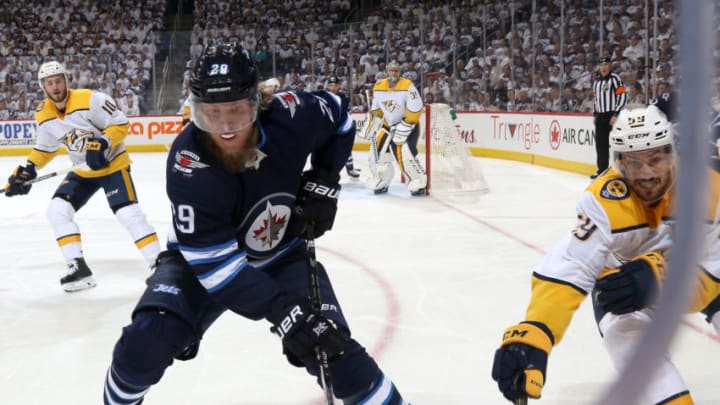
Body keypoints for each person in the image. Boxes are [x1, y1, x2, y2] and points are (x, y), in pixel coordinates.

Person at [102, 42, 409, 405]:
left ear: (257, 103)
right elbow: (216, 268)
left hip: (282, 253)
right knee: (143, 344)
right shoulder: (189, 163)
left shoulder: (292, 115)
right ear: (195, 110)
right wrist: (284, 311)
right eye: (212, 114)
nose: (226, 126)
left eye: (236, 110)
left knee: (332, 348)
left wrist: (326, 178)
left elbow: (341, 117)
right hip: (198, 266)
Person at [491, 105, 715, 404]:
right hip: (626, 297)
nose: (646, 173)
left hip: (704, 278)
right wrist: (537, 331)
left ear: (673, 155)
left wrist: (664, 278)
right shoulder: (604, 200)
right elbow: (573, 264)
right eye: (634, 163)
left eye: (655, 159)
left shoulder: (709, 185)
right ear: (618, 163)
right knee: (640, 361)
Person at [3, 61, 161, 292]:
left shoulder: (91, 99)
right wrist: (28, 169)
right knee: (57, 210)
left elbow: (121, 124)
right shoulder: (43, 113)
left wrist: (102, 142)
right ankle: (78, 268)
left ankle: (159, 264)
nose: (55, 86)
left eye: (58, 81)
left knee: (128, 213)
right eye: (50, 83)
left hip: (112, 165)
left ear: (66, 81)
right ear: (43, 87)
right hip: (81, 169)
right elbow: (46, 148)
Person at [366, 60, 426, 195]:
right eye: (391, 70)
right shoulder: (379, 86)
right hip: (388, 125)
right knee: (376, 153)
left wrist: (405, 125)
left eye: (396, 70)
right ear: (387, 71)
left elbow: (416, 109)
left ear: (399, 71)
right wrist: (372, 123)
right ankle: (382, 180)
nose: (393, 73)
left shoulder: (407, 85)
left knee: (406, 154)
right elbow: (377, 109)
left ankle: (418, 181)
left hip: (407, 125)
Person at [590, 56, 627, 179]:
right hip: (600, 117)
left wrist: (616, 113)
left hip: (612, 116)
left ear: (610, 66)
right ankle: (602, 170)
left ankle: (623, 169)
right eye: (601, 65)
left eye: (606, 64)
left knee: (619, 144)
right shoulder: (596, 82)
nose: (604, 67)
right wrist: (595, 114)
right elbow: (596, 99)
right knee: (601, 144)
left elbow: (622, 96)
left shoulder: (615, 79)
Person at [327, 75, 361, 179]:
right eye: (331, 85)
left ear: (339, 86)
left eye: (335, 85)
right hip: (327, 128)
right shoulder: (324, 97)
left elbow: (343, 113)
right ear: (328, 86)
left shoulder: (343, 98)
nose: (333, 87)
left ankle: (350, 168)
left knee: (346, 147)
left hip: (340, 127)